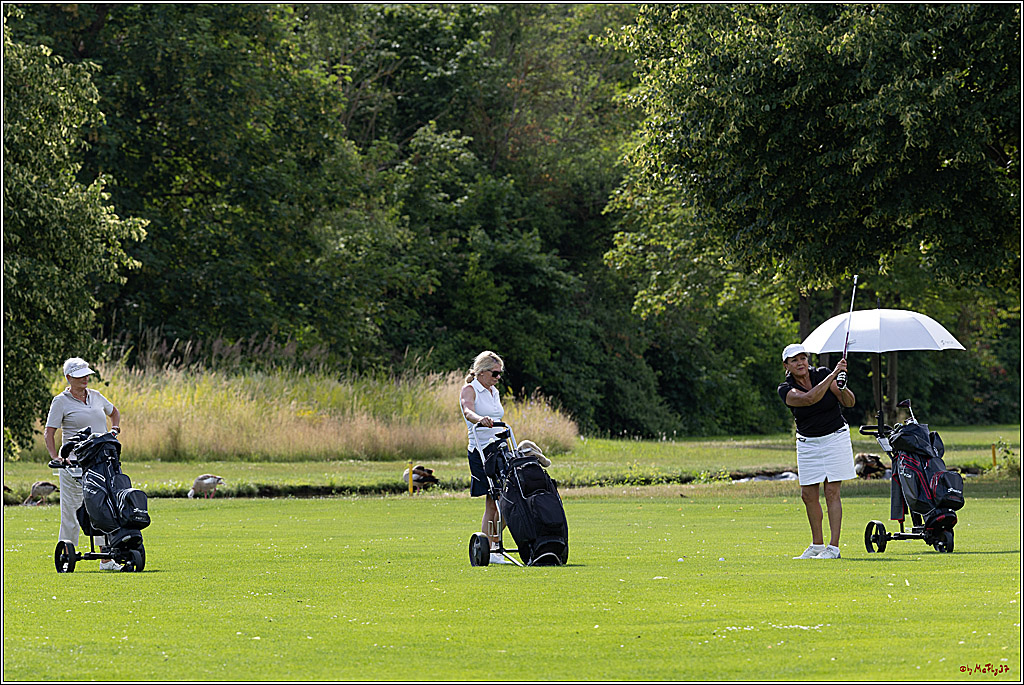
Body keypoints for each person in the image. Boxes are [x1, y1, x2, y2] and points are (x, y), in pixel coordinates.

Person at [777, 343, 856, 560]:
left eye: (803, 358)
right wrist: (833, 375)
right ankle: (817, 545)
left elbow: (849, 403)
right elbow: (809, 399)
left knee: (831, 491)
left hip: (835, 438)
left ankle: (834, 547)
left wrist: (841, 385)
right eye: (794, 360)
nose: (800, 363)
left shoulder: (821, 374)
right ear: (786, 365)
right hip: (808, 443)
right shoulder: (785, 389)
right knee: (808, 495)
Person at [44, 357, 123, 570]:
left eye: (86, 375)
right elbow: (49, 432)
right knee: (72, 509)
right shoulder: (60, 401)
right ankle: (68, 551)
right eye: (79, 376)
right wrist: (56, 457)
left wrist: (114, 430)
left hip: (100, 462)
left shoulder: (96, 396)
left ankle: (106, 558)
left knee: (103, 506)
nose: (85, 379)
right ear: (69, 377)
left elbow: (114, 413)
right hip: (73, 464)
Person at [459, 350, 511, 565]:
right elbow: (467, 410)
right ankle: (493, 548)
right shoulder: (470, 389)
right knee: (493, 502)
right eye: (495, 374)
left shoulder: (493, 391)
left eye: (500, 374)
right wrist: (480, 419)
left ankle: (492, 545)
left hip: (499, 447)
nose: (497, 378)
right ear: (481, 372)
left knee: (508, 499)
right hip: (481, 451)